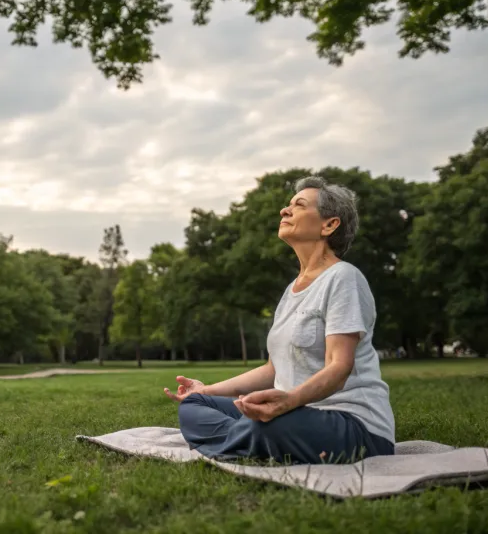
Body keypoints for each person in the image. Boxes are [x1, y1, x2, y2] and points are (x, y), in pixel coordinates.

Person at [164, 176, 395, 465]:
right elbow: (274, 369)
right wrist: (205, 390)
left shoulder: (343, 277)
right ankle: (251, 438)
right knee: (194, 407)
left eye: (298, 205)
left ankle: (244, 438)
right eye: (288, 205)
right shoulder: (292, 290)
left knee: (268, 424)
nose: (284, 211)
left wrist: (290, 401)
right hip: (289, 413)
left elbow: (340, 366)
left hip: (351, 425)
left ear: (329, 225)